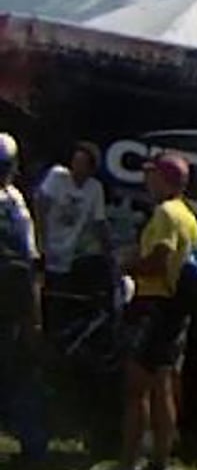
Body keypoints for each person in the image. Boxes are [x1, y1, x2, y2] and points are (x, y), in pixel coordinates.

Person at [118, 152, 197, 470]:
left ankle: (127, 469)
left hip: (155, 304)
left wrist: (127, 263)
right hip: (177, 309)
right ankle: (160, 462)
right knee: (162, 383)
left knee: (135, 388)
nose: (147, 181)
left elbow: (159, 260)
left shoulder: (166, 213)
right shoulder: (189, 216)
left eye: (152, 175)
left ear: (166, 180)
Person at [0, 133, 49, 470]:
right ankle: (34, 444)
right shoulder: (17, 203)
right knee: (20, 374)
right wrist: (35, 315)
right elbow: (31, 262)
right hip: (16, 304)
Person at [33, 140, 108, 330]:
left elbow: (99, 223)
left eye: (82, 163)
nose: (76, 167)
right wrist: (40, 241)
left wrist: (108, 252)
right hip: (45, 248)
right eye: (75, 161)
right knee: (37, 295)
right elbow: (40, 206)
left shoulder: (94, 188)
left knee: (58, 301)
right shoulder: (57, 176)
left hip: (68, 254)